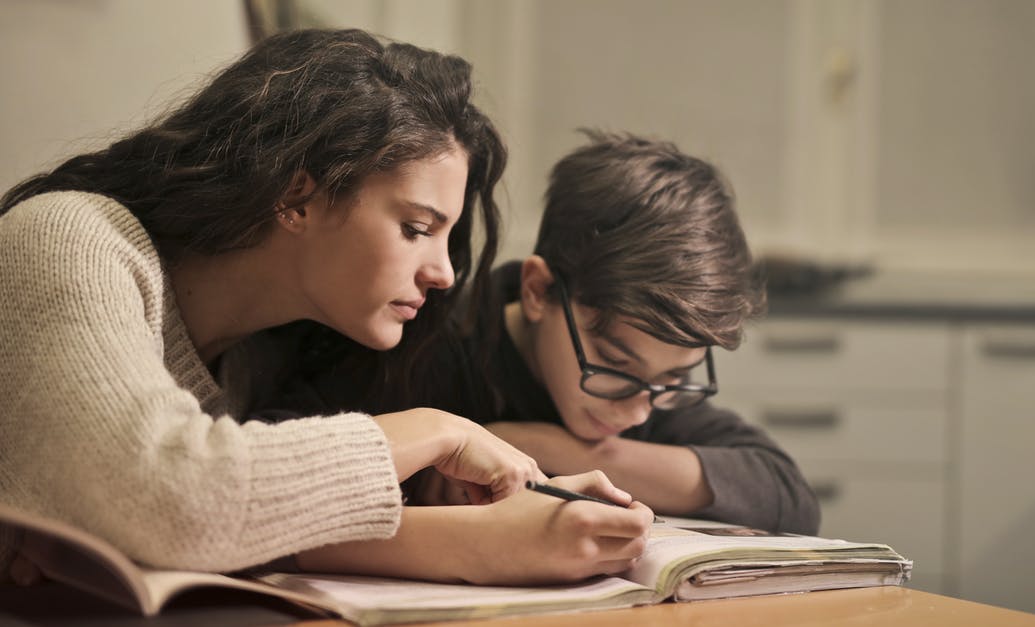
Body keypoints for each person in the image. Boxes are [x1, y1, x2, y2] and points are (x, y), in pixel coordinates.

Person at [0, 29, 651, 586]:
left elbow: (231, 523)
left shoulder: (259, 357)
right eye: (417, 227)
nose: (445, 272)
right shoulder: (72, 237)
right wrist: (437, 431)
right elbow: (180, 500)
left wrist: (491, 527)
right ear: (297, 196)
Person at [281, 131, 821, 535]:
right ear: (538, 291)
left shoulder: (651, 389)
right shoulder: (420, 341)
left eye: (676, 379)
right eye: (614, 365)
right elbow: (272, 466)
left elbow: (787, 496)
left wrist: (557, 449)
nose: (638, 411)